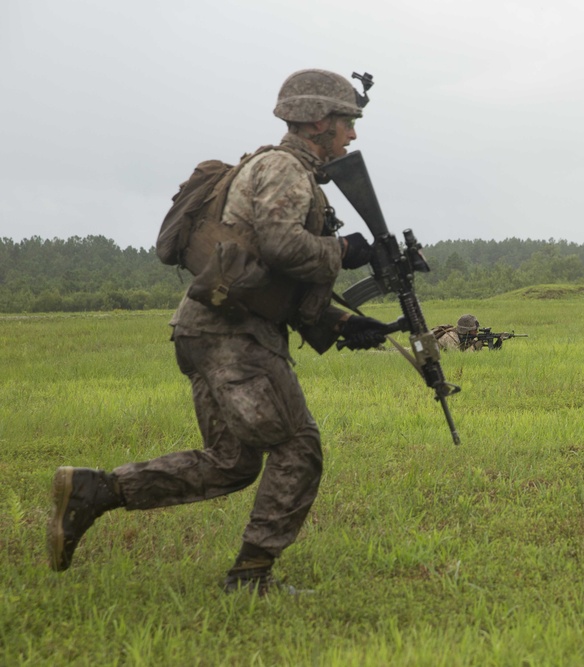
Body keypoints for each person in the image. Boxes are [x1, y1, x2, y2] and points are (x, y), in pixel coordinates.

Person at [46, 68, 390, 594]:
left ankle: (96, 491)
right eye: (347, 122)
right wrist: (342, 251)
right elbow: (279, 246)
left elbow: (264, 275)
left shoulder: (274, 169)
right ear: (320, 120)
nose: (352, 135)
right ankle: (251, 578)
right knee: (299, 446)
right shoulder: (285, 169)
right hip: (233, 336)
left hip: (208, 329)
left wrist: (343, 322)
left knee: (231, 462)